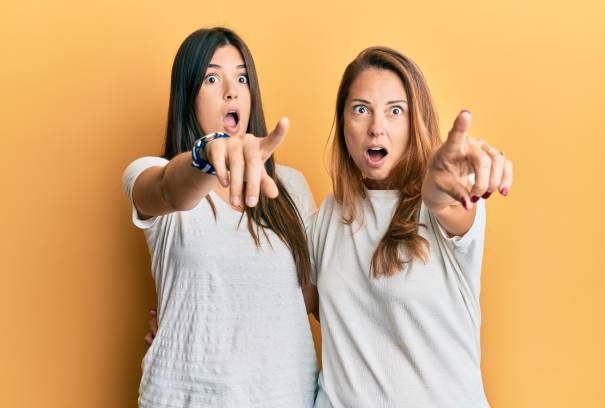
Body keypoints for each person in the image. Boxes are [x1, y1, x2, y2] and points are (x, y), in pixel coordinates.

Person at [123, 27, 318, 408]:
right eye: (212, 78)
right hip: (186, 396)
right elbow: (166, 188)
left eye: (241, 78)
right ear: (187, 97)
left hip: (286, 396)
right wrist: (205, 155)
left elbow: (309, 299)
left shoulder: (290, 187)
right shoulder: (152, 173)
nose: (232, 89)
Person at [310, 47, 512, 407]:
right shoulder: (327, 217)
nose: (377, 127)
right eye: (361, 109)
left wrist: (443, 187)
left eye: (395, 111)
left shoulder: (441, 208)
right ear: (343, 123)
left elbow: (447, 203)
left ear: (415, 122)